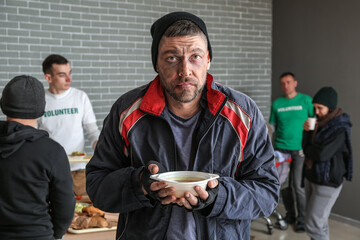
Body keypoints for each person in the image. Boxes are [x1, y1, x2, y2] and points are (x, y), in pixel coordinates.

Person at [86, 12, 279, 239]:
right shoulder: (127, 111)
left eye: (195, 56)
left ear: (208, 59)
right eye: (172, 58)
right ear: (156, 63)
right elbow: (97, 185)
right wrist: (139, 184)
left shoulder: (242, 113)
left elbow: (267, 193)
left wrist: (219, 197)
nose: (185, 70)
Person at [0, 75, 75, 240]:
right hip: (38, 234)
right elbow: (65, 206)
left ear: (3, 105)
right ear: (42, 109)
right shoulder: (52, 151)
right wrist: (54, 234)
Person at [37, 54, 100, 200]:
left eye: (69, 73)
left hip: (78, 171)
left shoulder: (80, 97)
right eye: (62, 75)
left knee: (85, 212)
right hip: (50, 171)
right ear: (48, 78)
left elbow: (92, 130)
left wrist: (98, 144)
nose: (69, 79)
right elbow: (34, 135)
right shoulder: (40, 100)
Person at [302, 87, 352, 240]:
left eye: (320, 108)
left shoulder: (340, 127)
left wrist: (310, 148)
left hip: (327, 181)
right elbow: (305, 147)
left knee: (312, 224)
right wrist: (306, 131)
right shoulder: (317, 123)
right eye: (314, 107)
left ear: (330, 107)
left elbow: (321, 154)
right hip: (311, 176)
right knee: (320, 223)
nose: (316, 111)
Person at [269, 72, 313, 232]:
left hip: (299, 150)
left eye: (288, 82)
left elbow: (314, 124)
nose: (285, 86)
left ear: (295, 83)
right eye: (282, 83)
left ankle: (302, 219)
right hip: (281, 149)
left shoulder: (306, 101)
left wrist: (309, 147)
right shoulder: (277, 104)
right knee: (284, 185)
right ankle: (290, 214)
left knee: (298, 186)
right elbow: (272, 128)